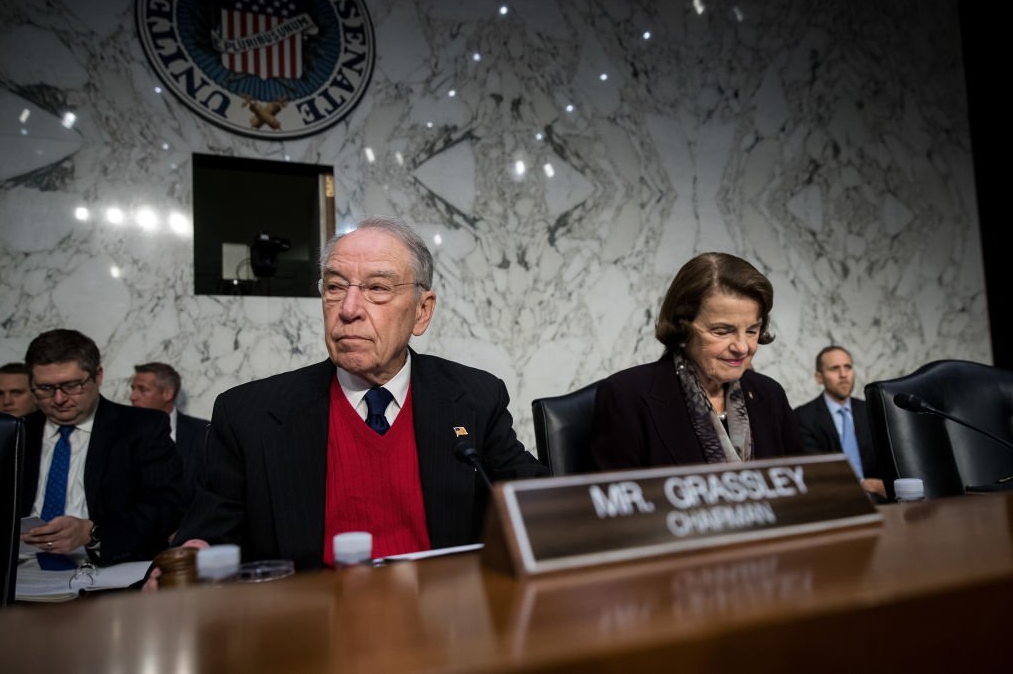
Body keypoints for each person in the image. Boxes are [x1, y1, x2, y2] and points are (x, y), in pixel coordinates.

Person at [173, 217, 548, 568]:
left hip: (443, 610)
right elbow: (208, 538)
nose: (348, 309)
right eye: (335, 287)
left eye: (378, 289)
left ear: (422, 311)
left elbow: (538, 503)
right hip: (308, 614)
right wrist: (191, 556)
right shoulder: (248, 415)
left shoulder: (475, 398)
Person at [590, 252, 802, 469]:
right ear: (682, 327)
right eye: (722, 332)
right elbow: (617, 490)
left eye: (752, 331)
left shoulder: (770, 394)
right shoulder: (625, 396)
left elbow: (804, 483)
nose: (742, 347)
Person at [18, 329, 183, 565]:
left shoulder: (141, 428)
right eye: (45, 388)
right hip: (21, 568)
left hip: (107, 568)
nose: (59, 399)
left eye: (71, 385)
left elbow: (166, 508)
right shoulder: (18, 432)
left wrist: (92, 533)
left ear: (98, 376)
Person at [794, 346, 885, 499]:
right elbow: (815, 470)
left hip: (881, 500)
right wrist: (867, 485)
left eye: (847, 367)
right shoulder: (803, 417)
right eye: (834, 368)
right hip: (832, 499)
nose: (843, 375)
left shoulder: (871, 411)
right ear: (819, 377)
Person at [130, 362, 208, 507]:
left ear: (167, 393)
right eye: (133, 389)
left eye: (142, 389)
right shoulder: (122, 434)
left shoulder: (203, 433)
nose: (132, 396)